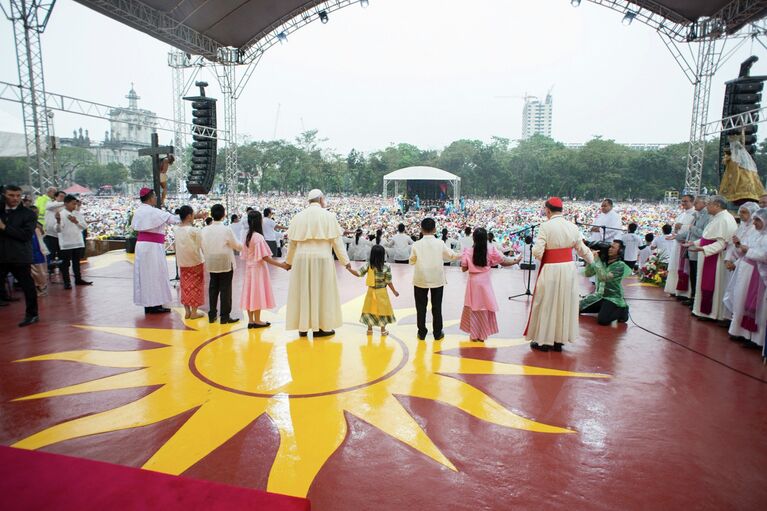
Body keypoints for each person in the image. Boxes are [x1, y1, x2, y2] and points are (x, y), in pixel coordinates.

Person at [525, 197, 594, 352]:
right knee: (564, 303)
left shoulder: (546, 226)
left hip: (551, 269)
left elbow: (537, 251)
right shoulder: (573, 227)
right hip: (568, 269)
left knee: (547, 303)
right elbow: (582, 249)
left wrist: (535, 252)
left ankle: (544, 341)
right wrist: (592, 260)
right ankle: (558, 340)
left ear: (548, 210)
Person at [285, 189, 351, 337]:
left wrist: (288, 262)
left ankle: (302, 327)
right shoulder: (329, 216)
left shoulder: (298, 217)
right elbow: (337, 242)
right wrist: (345, 262)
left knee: (302, 291)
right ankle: (320, 328)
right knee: (322, 293)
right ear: (321, 199)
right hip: (323, 259)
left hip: (301, 259)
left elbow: (292, 243)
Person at [460, 228, 519, 342]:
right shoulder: (491, 249)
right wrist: (515, 261)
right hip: (485, 282)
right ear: (486, 238)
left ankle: (473, 334)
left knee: (473, 307)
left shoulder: (468, 251)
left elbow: (464, 268)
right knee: (484, 307)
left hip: (473, 283)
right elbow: (502, 261)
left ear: (474, 238)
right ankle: (482, 335)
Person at [686, 196, 738, 321]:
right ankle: (702, 310)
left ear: (717, 205)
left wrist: (704, 249)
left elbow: (721, 243)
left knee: (713, 285)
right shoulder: (717, 218)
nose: (707, 206)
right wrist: (694, 243)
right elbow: (707, 238)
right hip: (708, 255)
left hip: (716, 258)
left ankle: (711, 313)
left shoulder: (724, 219)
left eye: (709, 204)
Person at [132, 187, 182, 314]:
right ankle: (155, 305)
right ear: (149, 198)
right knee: (155, 275)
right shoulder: (153, 212)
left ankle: (148, 305)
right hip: (152, 247)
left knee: (145, 275)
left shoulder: (138, 211)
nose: (155, 198)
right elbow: (174, 219)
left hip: (142, 246)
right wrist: (191, 216)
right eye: (154, 196)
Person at [409, 217, 460, 341]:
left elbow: (411, 261)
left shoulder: (416, 244)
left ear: (421, 229)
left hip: (420, 279)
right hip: (437, 278)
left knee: (420, 307)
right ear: (435, 229)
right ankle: (437, 333)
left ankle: (422, 332)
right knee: (437, 306)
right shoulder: (440, 243)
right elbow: (452, 256)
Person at [724, 206, 766, 348]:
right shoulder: (757, 234)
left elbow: (764, 255)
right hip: (746, 269)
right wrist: (739, 245)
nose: (754, 223)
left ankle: (756, 339)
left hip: (758, 273)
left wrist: (748, 250)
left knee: (757, 306)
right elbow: (744, 250)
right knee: (740, 301)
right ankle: (742, 332)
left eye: (757, 220)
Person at [240, 210, 290, 329]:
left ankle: (251, 320)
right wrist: (281, 265)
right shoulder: (258, 237)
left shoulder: (248, 235)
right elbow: (265, 257)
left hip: (249, 268)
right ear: (259, 221)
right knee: (257, 293)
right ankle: (257, 320)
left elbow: (245, 255)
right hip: (258, 269)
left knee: (249, 293)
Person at [0, 185, 39, 326]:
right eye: (11, 195)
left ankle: (32, 314)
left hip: (20, 256)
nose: (15, 198)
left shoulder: (28, 214)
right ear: (4, 195)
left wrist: (4, 228)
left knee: (27, 286)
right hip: (1, 255)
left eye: (18, 196)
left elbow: (26, 235)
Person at [201, 203, 242, 324]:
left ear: (211, 214)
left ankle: (212, 314)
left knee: (213, 287)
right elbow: (236, 245)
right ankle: (224, 316)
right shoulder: (226, 229)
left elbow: (202, 245)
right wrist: (244, 246)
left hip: (211, 261)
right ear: (224, 214)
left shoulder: (205, 230)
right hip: (225, 261)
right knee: (225, 289)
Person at [347, 244, 399, 335]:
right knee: (382, 310)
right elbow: (388, 281)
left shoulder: (369, 265)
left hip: (371, 291)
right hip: (382, 292)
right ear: (383, 255)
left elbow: (358, 273)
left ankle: (369, 329)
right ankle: (383, 330)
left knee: (369, 308)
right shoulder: (386, 266)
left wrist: (349, 269)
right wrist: (394, 291)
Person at [580, 240, 631, 325]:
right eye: (610, 246)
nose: (609, 248)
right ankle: (604, 308)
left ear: (620, 251)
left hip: (613, 298)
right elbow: (587, 273)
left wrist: (597, 261)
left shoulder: (620, 265)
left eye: (613, 247)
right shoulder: (602, 261)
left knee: (603, 320)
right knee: (577, 308)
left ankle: (622, 311)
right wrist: (591, 260)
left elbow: (604, 277)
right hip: (599, 296)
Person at [677, 196, 711, 307]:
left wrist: (692, 228)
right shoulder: (697, 215)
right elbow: (689, 233)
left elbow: (703, 234)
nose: (695, 204)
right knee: (692, 273)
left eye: (696, 203)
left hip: (698, 248)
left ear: (704, 204)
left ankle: (695, 299)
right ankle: (692, 297)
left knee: (696, 274)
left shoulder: (707, 216)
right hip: (691, 248)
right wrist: (677, 236)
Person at [174, 205, 205, 320]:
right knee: (196, 286)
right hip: (195, 261)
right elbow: (201, 246)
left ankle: (187, 311)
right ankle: (194, 312)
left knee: (185, 286)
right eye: (193, 215)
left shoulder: (176, 230)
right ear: (189, 216)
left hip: (182, 262)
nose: (194, 217)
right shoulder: (194, 230)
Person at [719, 129, 765, 205]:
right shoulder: (738, 149)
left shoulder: (736, 150)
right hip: (748, 182)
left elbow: (735, 171)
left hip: (741, 186)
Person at [56, 194, 91, 290]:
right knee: (65, 264)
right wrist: (58, 221)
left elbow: (84, 227)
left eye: (75, 204)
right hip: (66, 243)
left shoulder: (77, 214)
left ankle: (78, 279)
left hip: (77, 241)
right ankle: (67, 282)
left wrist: (76, 222)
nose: (75, 206)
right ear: (66, 203)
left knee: (76, 263)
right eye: (73, 204)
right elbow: (58, 230)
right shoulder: (61, 214)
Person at [663, 194, 696, 298]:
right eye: (682, 201)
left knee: (685, 269)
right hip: (677, 245)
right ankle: (674, 290)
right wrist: (676, 229)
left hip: (686, 244)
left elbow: (692, 230)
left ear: (692, 202)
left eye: (686, 201)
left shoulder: (695, 215)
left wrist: (681, 227)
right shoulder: (681, 215)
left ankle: (684, 293)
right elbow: (675, 231)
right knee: (675, 267)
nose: (683, 203)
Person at [43, 190, 65, 276]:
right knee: (51, 253)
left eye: (64, 197)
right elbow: (49, 206)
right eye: (61, 196)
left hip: (60, 234)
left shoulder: (63, 207)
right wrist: (64, 202)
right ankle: (50, 269)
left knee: (61, 253)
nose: (62, 198)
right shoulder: (50, 204)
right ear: (56, 197)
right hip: (50, 234)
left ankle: (61, 268)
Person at [28, 206, 49, 296]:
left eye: (37, 212)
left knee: (43, 270)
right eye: (33, 212)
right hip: (31, 251)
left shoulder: (38, 224)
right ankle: (37, 288)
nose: (35, 214)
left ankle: (42, 287)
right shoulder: (26, 224)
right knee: (35, 272)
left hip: (41, 250)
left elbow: (43, 234)